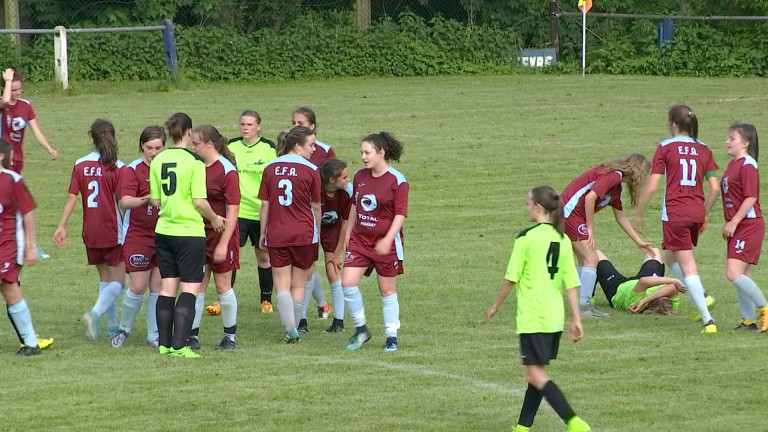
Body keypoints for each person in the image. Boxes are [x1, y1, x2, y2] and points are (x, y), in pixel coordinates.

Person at [486, 185, 590, 432]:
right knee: (534, 373)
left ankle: (574, 422)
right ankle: (523, 427)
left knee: (535, 375)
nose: (525, 207)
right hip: (554, 318)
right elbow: (572, 283)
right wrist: (576, 319)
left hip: (533, 317)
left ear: (538, 208)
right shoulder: (562, 239)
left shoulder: (525, 238)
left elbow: (511, 277)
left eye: (527, 203)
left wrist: (495, 305)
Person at [636, 105, 720, 333]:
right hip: (694, 212)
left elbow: (653, 185)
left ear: (673, 124)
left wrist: (639, 209)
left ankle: (708, 320)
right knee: (670, 258)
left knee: (688, 265)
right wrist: (704, 213)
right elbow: (714, 188)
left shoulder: (665, 147)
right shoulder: (704, 149)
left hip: (675, 213)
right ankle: (701, 294)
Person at [149, 113, 224, 358]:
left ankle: (164, 344)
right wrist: (214, 219)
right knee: (190, 288)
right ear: (189, 132)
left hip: (164, 231)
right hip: (189, 232)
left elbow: (155, 199)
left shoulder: (158, 160)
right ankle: (180, 347)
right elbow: (199, 201)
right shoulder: (194, 162)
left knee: (168, 286)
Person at [54, 119, 125, 341]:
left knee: (106, 280)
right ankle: (94, 313)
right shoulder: (118, 167)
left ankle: (112, 328)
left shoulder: (80, 164)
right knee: (119, 282)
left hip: (90, 231)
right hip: (113, 231)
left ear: (91, 138)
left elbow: (72, 197)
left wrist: (62, 226)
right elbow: (123, 202)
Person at [561, 154, 653, 318]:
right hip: (569, 213)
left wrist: (638, 242)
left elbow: (621, 217)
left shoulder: (616, 188)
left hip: (572, 215)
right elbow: (590, 197)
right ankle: (584, 308)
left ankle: (582, 305)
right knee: (592, 258)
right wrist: (590, 228)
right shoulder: (613, 175)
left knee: (585, 259)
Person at [343, 132, 408, 352]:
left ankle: (391, 337)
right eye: (361, 152)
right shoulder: (360, 176)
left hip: (385, 245)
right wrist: (347, 234)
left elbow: (400, 215)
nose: (363, 156)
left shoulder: (397, 181)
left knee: (387, 291)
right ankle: (361, 329)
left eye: (367, 152)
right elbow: (354, 206)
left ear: (381, 153)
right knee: (347, 283)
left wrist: (387, 239)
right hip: (360, 241)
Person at [258, 126, 321, 343]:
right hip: (304, 234)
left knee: (282, 284)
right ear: (297, 145)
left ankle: (290, 329)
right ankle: (294, 327)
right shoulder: (312, 170)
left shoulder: (270, 168)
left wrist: (262, 233)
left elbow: (265, 205)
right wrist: (318, 233)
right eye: (311, 145)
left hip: (277, 232)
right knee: (299, 285)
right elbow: (316, 207)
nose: (314, 149)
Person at [110, 126, 165, 348]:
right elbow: (124, 202)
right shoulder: (132, 170)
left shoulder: (169, 167)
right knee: (138, 285)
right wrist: (148, 198)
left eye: (158, 147)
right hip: (138, 235)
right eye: (149, 147)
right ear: (142, 145)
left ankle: (154, 335)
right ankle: (124, 330)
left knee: (159, 285)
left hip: (165, 233)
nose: (153, 152)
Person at [217, 111, 276, 315]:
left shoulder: (268, 148)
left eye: (250, 124)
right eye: (242, 124)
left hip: (260, 212)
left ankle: (266, 300)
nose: (245, 128)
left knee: (264, 257)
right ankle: (224, 298)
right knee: (231, 256)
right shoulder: (231, 146)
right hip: (237, 212)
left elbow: (273, 179)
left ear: (259, 126)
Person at [189, 124, 240, 350]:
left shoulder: (227, 170)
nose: (193, 147)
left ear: (209, 144)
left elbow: (233, 211)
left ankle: (229, 337)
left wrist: (224, 243)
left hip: (221, 235)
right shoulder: (196, 166)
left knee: (222, 286)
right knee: (196, 285)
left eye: (196, 143)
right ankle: (193, 335)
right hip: (198, 235)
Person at [0, 139, 51, 355]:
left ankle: (30, 343)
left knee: (11, 290)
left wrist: (31, 246)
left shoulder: (12, 180)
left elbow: (28, 211)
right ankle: (30, 343)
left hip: (7, 246)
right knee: (10, 292)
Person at [720, 123, 768, 331]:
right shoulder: (733, 164)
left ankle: (764, 308)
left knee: (732, 273)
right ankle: (748, 321)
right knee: (742, 274)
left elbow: (751, 197)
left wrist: (733, 221)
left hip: (748, 224)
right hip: (740, 225)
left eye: (732, 138)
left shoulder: (747, 164)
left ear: (746, 142)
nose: (727, 142)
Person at [292, 107, 334, 323]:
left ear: (312, 126)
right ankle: (321, 304)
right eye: (293, 122)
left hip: (315, 214)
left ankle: (302, 318)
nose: (296, 126)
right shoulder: (287, 150)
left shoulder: (324, 151)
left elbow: (334, 179)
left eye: (301, 122)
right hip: (292, 214)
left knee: (307, 266)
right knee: (304, 267)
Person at [316, 158, 353, 333]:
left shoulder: (346, 193)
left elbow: (346, 225)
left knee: (332, 269)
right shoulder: (315, 189)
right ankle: (301, 323)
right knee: (305, 269)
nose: (348, 180)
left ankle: (338, 322)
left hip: (333, 228)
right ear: (332, 180)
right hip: (311, 227)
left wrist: (338, 253)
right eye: (345, 177)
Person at [0, 68, 58, 174]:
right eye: (13, 90)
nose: (18, 93)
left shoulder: (26, 106)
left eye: (19, 89)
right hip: (2, 157)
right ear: (5, 88)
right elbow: (6, 100)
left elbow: (37, 131)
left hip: (17, 157)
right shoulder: (2, 104)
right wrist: (8, 80)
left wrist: (49, 148)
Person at [595, 249, 685, 314]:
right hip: (643, 283)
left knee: (595, 254)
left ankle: (588, 298)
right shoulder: (672, 305)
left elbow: (643, 281)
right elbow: (672, 288)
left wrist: (643, 301)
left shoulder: (637, 304)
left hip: (617, 288)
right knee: (654, 252)